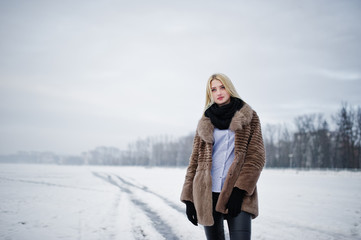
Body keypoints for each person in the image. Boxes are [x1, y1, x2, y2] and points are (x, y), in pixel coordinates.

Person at [180, 73, 265, 240]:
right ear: (209, 93)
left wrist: (240, 191)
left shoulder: (249, 116)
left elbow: (256, 157)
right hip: (207, 194)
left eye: (222, 87)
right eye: (213, 89)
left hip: (237, 194)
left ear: (229, 88)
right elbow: (194, 162)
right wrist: (189, 198)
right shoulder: (204, 121)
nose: (218, 92)